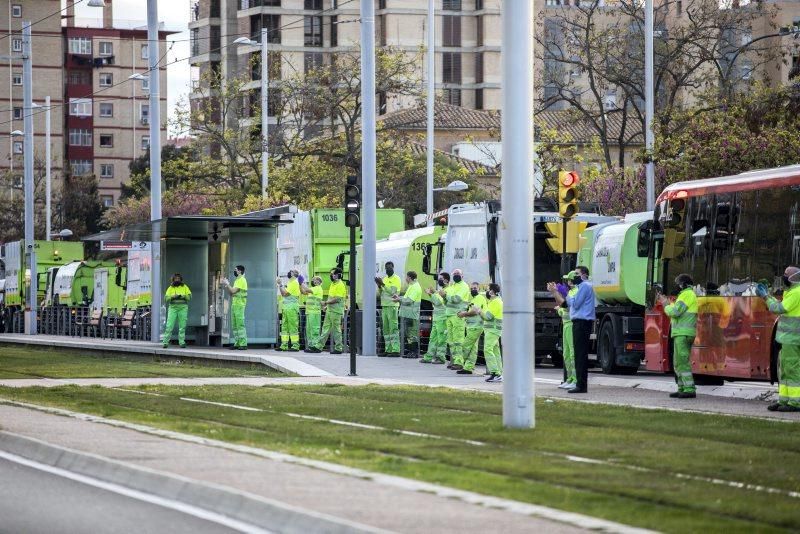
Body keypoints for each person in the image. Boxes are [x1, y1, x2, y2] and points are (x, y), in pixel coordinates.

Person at [758, 266, 800, 412]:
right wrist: (768, 296)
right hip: (786, 339)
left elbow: (779, 308)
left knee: (792, 371)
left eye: (786, 275)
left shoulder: (797, 292)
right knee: (783, 371)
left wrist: (765, 297)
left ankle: (795, 403)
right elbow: (779, 305)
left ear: (793, 277)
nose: (784, 278)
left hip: (793, 340)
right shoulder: (791, 292)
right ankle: (783, 400)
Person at [548, 266, 595, 393]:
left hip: (582, 322)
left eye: (577, 274)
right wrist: (557, 293)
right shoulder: (581, 287)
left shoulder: (585, 286)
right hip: (577, 322)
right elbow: (566, 304)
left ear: (584, 275)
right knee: (578, 354)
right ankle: (579, 383)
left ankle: (580, 384)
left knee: (579, 354)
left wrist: (566, 295)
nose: (574, 277)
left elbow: (574, 304)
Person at [657, 273, 698, 399]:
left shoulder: (687, 294)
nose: (677, 286)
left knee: (682, 362)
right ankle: (682, 388)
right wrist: (668, 302)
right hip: (681, 334)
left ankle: (689, 389)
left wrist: (665, 304)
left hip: (683, 334)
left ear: (684, 284)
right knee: (677, 362)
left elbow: (675, 312)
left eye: (679, 284)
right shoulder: (685, 295)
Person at [442, 268, 470, 370]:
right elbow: (446, 302)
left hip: (458, 316)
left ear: (462, 276)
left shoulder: (464, 286)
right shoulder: (453, 286)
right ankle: (453, 360)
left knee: (458, 341)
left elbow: (456, 299)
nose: (456, 275)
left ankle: (459, 362)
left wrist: (446, 296)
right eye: (454, 274)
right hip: (449, 315)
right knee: (451, 341)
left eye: (458, 273)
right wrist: (444, 297)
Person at [459, 281, 487, 375]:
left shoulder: (479, 298)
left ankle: (460, 362)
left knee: (465, 346)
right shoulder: (474, 298)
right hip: (473, 327)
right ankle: (468, 368)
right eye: (471, 289)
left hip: (476, 327)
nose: (473, 290)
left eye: (475, 288)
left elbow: (475, 312)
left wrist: (464, 314)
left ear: (479, 289)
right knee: (472, 349)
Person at [316, 268, 346, 354]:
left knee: (336, 330)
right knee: (325, 329)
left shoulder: (340, 285)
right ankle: (319, 347)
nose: (331, 276)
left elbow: (337, 299)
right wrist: (327, 306)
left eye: (332, 274)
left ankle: (339, 348)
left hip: (336, 311)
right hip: (330, 310)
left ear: (338, 275)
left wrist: (325, 302)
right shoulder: (333, 284)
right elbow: (331, 297)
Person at [375, 261, 402, 356]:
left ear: (393, 267)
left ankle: (395, 350)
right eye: (386, 268)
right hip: (385, 306)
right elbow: (381, 292)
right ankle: (388, 349)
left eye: (389, 267)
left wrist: (383, 285)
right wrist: (379, 286)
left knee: (393, 328)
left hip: (392, 306)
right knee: (386, 329)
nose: (387, 269)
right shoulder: (385, 279)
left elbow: (394, 292)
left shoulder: (397, 279)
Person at [420, 273, 448, 364]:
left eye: (441, 279)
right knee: (433, 338)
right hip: (437, 318)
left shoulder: (447, 290)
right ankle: (428, 356)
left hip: (442, 318)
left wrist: (430, 294)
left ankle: (441, 357)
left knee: (441, 339)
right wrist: (434, 293)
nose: (439, 280)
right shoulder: (442, 290)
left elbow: (438, 302)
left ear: (446, 280)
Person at [557, 271, 578, 390]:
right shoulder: (570, 292)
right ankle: (570, 379)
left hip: (571, 325)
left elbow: (567, 309)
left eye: (568, 280)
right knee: (567, 354)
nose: (567, 282)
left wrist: (559, 310)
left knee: (572, 353)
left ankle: (575, 379)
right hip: (566, 325)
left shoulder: (575, 292)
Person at [395, 271, 423, 358]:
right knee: (409, 334)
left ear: (409, 278)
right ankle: (411, 351)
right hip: (408, 314)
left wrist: (398, 300)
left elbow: (409, 301)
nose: (405, 279)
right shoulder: (412, 286)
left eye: (406, 277)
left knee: (412, 334)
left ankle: (414, 352)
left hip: (412, 315)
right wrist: (399, 297)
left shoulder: (415, 287)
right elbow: (406, 298)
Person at [221, 265, 248, 350]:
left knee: (240, 324)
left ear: (240, 271)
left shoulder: (242, 280)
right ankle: (237, 343)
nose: (234, 271)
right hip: (235, 304)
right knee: (235, 325)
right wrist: (227, 286)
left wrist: (228, 284)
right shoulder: (237, 280)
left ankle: (243, 344)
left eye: (235, 270)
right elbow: (231, 293)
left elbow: (233, 291)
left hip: (240, 305)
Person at [162, 273, 191, 348]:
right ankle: (165, 342)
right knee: (169, 325)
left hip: (183, 307)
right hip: (173, 308)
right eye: (176, 279)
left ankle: (182, 342)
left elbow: (189, 297)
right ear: (173, 280)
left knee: (182, 325)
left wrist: (184, 296)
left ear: (181, 279)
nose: (177, 280)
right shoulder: (170, 288)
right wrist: (172, 296)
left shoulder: (185, 287)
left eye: (178, 279)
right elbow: (166, 298)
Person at [482, 283, 503, 382]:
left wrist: (478, 311)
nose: (487, 291)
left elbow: (488, 317)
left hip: (492, 330)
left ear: (492, 291)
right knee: (495, 351)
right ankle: (499, 373)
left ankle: (495, 373)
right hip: (494, 330)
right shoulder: (495, 301)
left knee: (487, 349)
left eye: (488, 289)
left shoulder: (496, 302)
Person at [277, 270, 302, 351]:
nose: (288, 273)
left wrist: (280, 284)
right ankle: (284, 345)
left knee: (292, 326)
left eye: (291, 272)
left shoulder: (294, 282)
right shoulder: (290, 283)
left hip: (291, 308)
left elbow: (285, 293)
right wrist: (281, 286)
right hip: (286, 307)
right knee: (284, 326)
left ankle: (295, 345)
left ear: (294, 274)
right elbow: (283, 293)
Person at [301, 276, 324, 353]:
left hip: (314, 312)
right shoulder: (313, 289)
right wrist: (299, 285)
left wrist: (301, 282)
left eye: (314, 280)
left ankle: (315, 346)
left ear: (318, 282)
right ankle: (311, 346)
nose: (313, 281)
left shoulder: (318, 288)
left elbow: (307, 289)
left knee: (314, 329)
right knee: (309, 330)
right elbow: (303, 292)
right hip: (310, 312)